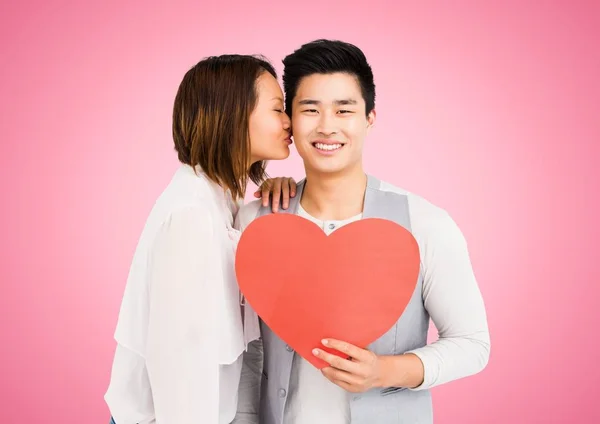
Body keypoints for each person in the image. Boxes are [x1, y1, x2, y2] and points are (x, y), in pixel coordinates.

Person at [234, 39, 491, 424]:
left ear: (369, 118)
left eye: (344, 110)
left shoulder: (425, 223)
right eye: (310, 109)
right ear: (290, 119)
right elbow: (246, 351)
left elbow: (472, 345)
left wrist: (386, 371)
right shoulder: (256, 221)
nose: (327, 126)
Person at [105, 54, 297, 424]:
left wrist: (277, 190)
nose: (289, 121)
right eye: (277, 109)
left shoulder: (218, 202)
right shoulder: (192, 216)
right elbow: (177, 359)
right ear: (233, 115)